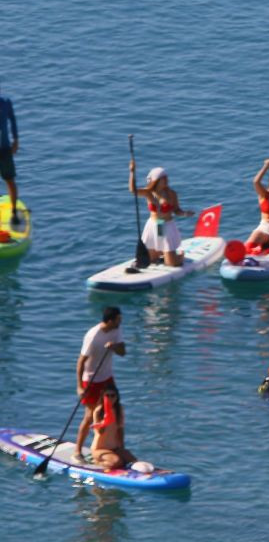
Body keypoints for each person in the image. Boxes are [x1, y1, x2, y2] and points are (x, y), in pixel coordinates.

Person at [75, 306, 127, 460]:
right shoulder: (93, 335)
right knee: (91, 416)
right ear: (110, 321)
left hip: (107, 377)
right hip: (90, 379)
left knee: (115, 411)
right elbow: (81, 362)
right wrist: (79, 387)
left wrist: (114, 347)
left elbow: (123, 352)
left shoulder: (116, 330)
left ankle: (117, 447)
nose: (121, 321)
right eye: (118, 319)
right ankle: (78, 451)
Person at [128, 163, 193, 268]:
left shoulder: (172, 194)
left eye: (166, 177)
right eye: (164, 178)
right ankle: (162, 252)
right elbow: (133, 191)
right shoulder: (148, 193)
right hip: (154, 226)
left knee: (172, 264)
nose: (167, 180)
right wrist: (132, 172)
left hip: (167, 226)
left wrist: (185, 213)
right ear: (156, 181)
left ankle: (179, 256)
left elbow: (176, 210)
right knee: (151, 260)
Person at [89, 387, 136, 471]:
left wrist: (122, 448)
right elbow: (100, 432)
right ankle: (95, 461)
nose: (110, 398)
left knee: (133, 461)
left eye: (113, 395)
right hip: (99, 448)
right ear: (103, 397)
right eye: (107, 396)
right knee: (116, 462)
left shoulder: (119, 409)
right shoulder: (99, 411)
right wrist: (104, 422)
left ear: (116, 397)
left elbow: (120, 430)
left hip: (115, 448)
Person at [0, 88, 19, 226]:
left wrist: (16, 140)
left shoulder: (5, 103)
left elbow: (12, 120)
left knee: (10, 180)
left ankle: (13, 213)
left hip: (5, 149)